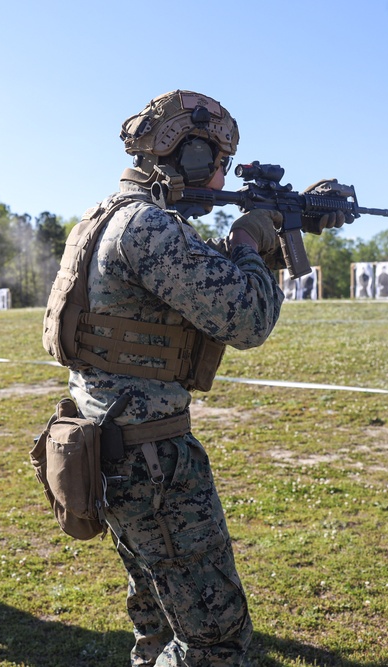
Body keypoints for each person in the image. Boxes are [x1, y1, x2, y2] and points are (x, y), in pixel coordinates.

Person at [42, 90, 343, 664]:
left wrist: (277, 235)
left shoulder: (113, 216)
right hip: (151, 461)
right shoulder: (151, 228)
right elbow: (247, 319)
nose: (220, 178)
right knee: (215, 642)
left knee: (156, 620)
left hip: (109, 443)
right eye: (219, 164)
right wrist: (252, 240)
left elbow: (196, 284)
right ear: (188, 157)